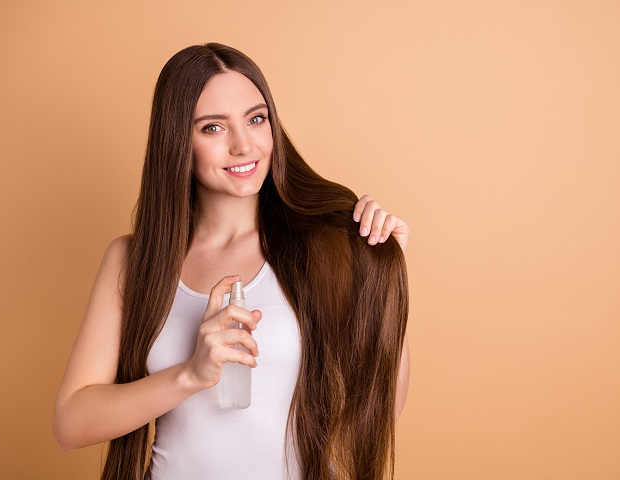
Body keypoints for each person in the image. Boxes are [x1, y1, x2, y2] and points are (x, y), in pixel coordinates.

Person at [53, 43, 410, 480]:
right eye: (213, 128)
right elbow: (71, 423)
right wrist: (190, 374)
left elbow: (380, 405)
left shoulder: (321, 249)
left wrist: (384, 277)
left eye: (256, 119)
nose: (243, 145)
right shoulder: (133, 261)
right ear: (177, 140)